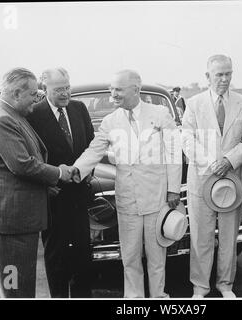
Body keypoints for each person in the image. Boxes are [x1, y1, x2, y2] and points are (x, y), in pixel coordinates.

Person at [71, 69, 182, 298]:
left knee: (156, 255)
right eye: (112, 89)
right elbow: (95, 150)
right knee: (130, 256)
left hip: (156, 197)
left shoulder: (159, 113)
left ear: (136, 89)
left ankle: (158, 296)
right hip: (127, 199)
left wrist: (173, 189)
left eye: (118, 89)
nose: (113, 94)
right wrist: (75, 171)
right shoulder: (111, 121)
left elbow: (173, 153)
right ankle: (134, 298)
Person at [0, 67, 73, 298]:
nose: (37, 99)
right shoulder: (2, 120)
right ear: (17, 93)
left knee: (21, 286)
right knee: (16, 289)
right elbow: (23, 165)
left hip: (17, 220)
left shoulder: (10, 115)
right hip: (11, 223)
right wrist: (59, 174)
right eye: (33, 94)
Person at [181, 55, 242, 298]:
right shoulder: (194, 104)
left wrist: (229, 161)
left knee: (228, 236)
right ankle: (200, 287)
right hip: (202, 180)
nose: (224, 79)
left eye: (228, 74)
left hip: (232, 180)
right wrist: (212, 163)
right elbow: (186, 139)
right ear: (208, 76)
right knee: (201, 237)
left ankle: (226, 285)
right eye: (219, 75)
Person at [27, 68, 95, 298]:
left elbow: (91, 147)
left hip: (79, 196)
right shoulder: (34, 114)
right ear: (44, 89)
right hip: (53, 199)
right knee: (56, 257)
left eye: (67, 87)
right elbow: (31, 156)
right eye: (59, 89)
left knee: (83, 257)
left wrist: (87, 173)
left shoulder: (79, 109)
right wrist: (45, 185)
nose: (65, 93)